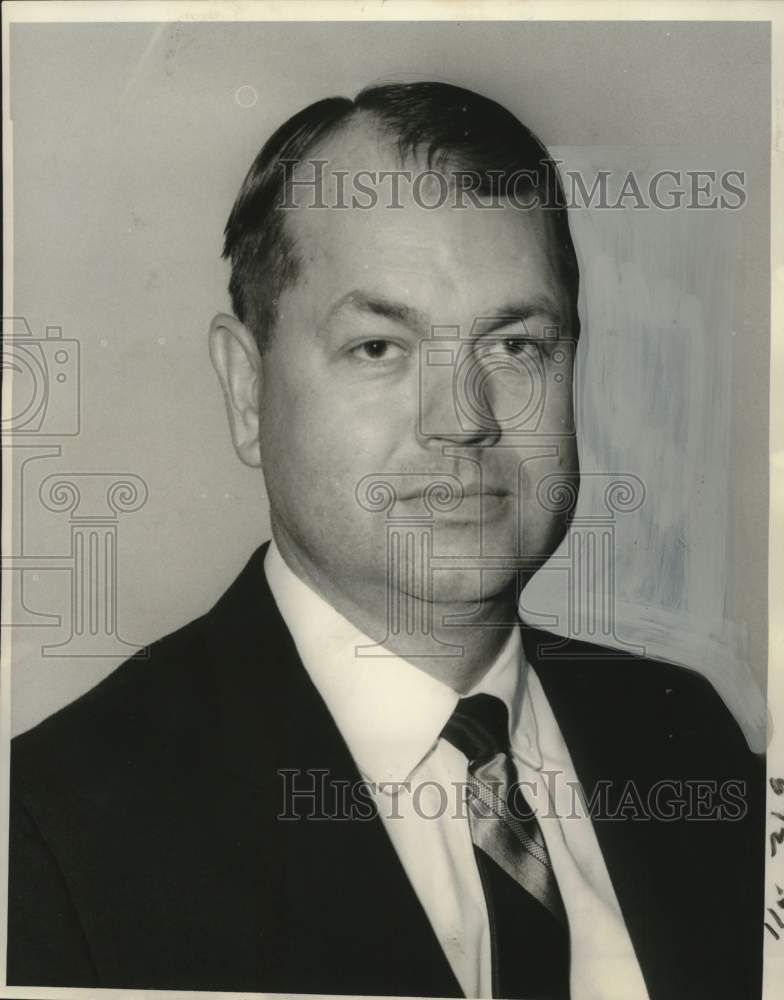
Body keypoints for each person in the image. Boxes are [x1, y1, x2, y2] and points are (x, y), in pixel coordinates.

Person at [7, 82, 764, 999]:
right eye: (379, 348)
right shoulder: (57, 835)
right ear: (247, 391)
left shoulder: (693, 749)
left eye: (516, 345)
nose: (463, 420)